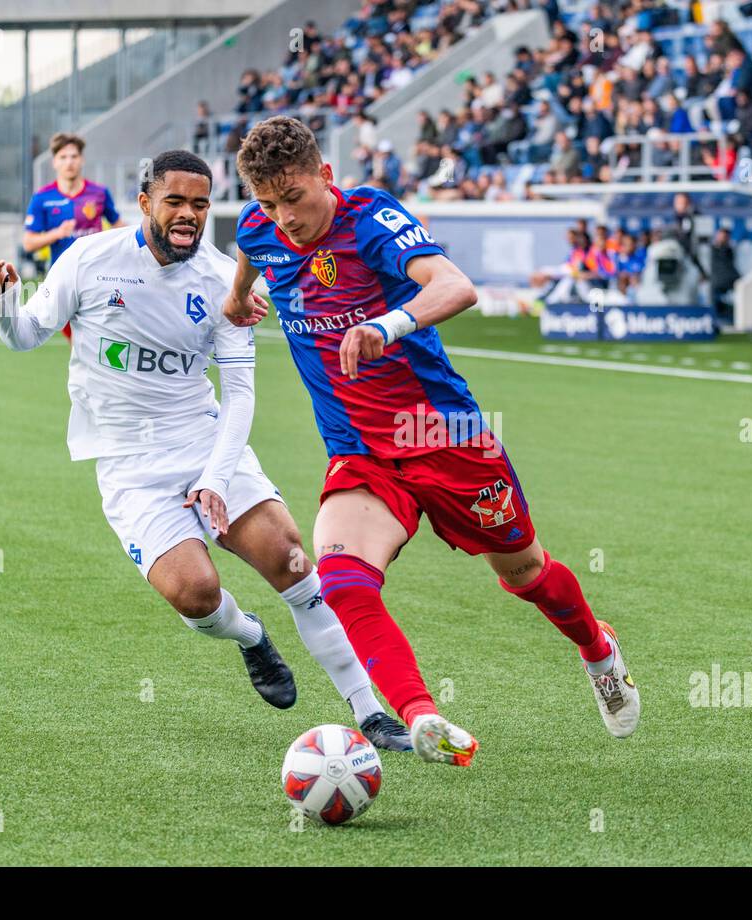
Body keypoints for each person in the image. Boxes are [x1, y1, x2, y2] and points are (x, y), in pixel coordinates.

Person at [225, 117, 640, 766]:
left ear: (325, 177)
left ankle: (597, 649)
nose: (285, 218)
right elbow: (251, 250)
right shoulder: (261, 230)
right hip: (360, 451)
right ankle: (420, 718)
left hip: (443, 436)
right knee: (341, 579)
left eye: (296, 198)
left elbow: (455, 285)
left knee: (526, 573)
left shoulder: (369, 218)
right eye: (270, 203)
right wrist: (235, 298)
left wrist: (386, 326)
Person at [0, 150, 410, 751]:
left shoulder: (225, 280)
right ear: (145, 202)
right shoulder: (89, 260)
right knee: (195, 595)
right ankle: (250, 635)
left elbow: (240, 395)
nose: (188, 215)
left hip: (204, 441)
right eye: (175, 201)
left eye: (200, 204)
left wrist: (216, 476)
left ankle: (372, 714)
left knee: (292, 560)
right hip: (128, 463)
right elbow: (25, 336)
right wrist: (0, 305)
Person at [24, 132, 123, 339]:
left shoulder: (99, 193)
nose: (69, 162)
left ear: (82, 159)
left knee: (97, 339)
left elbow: (119, 227)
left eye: (74, 156)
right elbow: (29, 243)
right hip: (62, 282)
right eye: (63, 157)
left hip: (98, 278)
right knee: (77, 342)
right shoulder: (42, 198)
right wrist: (57, 233)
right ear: (54, 162)